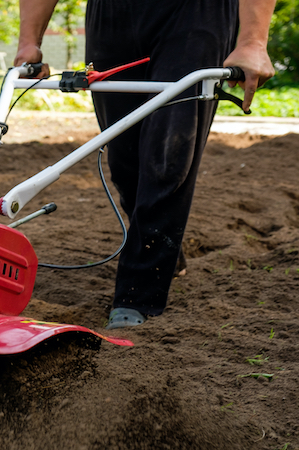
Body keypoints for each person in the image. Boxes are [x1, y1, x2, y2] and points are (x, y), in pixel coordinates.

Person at [14, 0, 276, 329]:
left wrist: (252, 41)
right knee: (124, 162)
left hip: (195, 15)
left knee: (169, 155)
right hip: (112, 16)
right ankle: (164, 250)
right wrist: (29, 42)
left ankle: (138, 294)